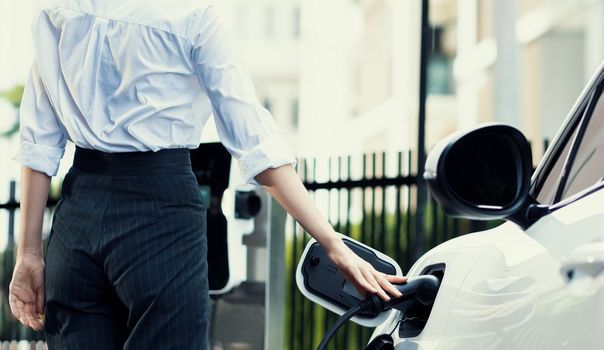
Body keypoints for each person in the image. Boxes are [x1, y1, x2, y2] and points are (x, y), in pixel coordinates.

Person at [7, 0, 406, 348]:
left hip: (77, 216)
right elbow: (255, 145)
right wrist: (332, 244)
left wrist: (28, 254)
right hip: (159, 211)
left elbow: (39, 142)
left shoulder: (56, 12)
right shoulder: (193, 15)